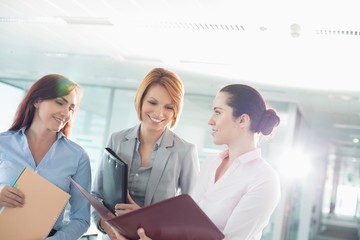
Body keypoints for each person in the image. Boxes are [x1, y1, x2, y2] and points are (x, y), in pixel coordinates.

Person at [133, 84, 281, 240]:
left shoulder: (264, 179)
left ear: (242, 120)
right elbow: (186, 226)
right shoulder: (211, 163)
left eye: (218, 112)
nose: (210, 121)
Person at [91, 67, 200, 239]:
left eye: (168, 107)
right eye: (152, 102)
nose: (159, 113)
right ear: (141, 100)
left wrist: (143, 217)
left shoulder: (184, 151)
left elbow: (191, 215)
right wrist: (105, 226)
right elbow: (97, 194)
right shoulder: (117, 139)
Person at [0, 74, 91, 240]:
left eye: (71, 108)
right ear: (36, 101)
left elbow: (81, 218)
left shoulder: (78, 157)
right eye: (60, 102)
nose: (66, 113)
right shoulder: (2, 144)